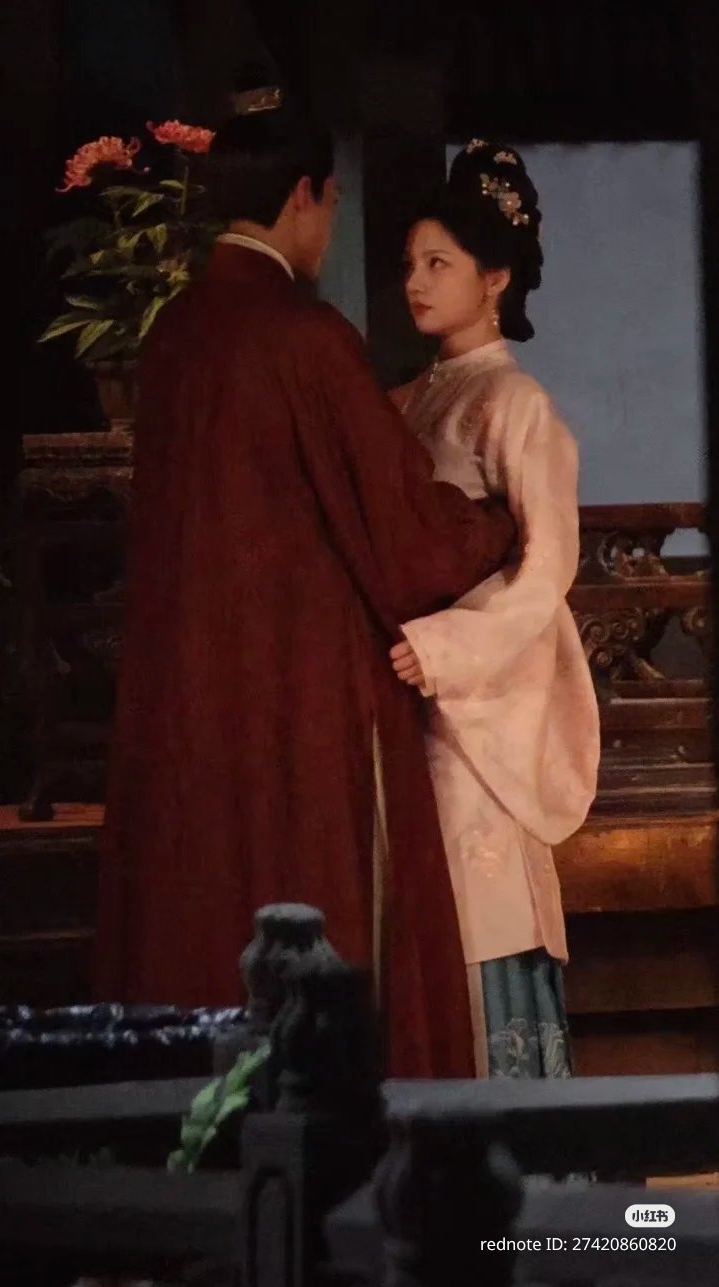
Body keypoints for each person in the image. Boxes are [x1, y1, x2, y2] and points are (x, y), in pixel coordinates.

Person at [94, 88, 517, 1078]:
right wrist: (495, 521)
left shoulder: (173, 335)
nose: (328, 224)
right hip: (300, 684)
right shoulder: (304, 336)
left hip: (189, 687)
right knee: (318, 880)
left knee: (201, 890)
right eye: (329, 203)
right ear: (303, 196)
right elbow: (404, 537)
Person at [390, 140, 600, 1077]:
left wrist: (445, 648)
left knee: (481, 905)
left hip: (477, 701)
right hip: (413, 689)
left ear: (496, 278)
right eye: (410, 263)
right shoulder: (409, 399)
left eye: (439, 263)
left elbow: (548, 565)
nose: (415, 282)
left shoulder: (515, 401)